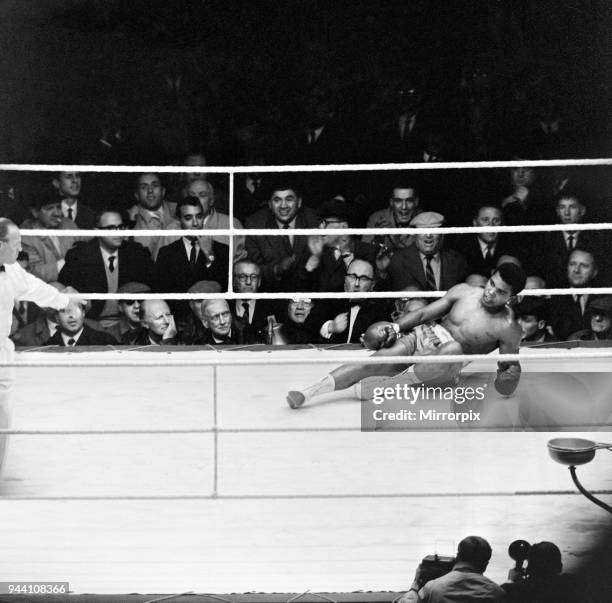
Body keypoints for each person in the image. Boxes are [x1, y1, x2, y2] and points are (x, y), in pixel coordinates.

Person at [287, 262, 525, 409]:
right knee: (376, 360)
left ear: (511, 298)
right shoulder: (465, 291)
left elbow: (505, 383)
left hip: (444, 367)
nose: (491, 292)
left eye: (500, 291)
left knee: (452, 349)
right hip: (423, 337)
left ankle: (388, 387)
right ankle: (309, 392)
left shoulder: (508, 327)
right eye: (491, 283)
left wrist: (511, 375)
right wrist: (397, 329)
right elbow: (423, 314)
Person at [0, 218, 84, 469]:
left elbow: (35, 288)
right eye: (15, 244)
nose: (20, 250)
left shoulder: (11, 269)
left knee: (3, 417)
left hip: (1, 354)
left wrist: (63, 301)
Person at [59, 209, 154, 328]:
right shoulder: (79, 256)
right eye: (111, 228)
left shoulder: (137, 253)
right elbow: (65, 292)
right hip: (90, 324)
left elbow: (152, 290)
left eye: (121, 227)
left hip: (130, 324)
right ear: (96, 231)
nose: (118, 232)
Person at [245, 178, 320, 291]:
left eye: (289, 199)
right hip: (272, 294)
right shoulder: (254, 224)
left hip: (310, 291)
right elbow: (252, 268)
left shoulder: (314, 221)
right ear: (270, 204)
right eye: (277, 200)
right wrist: (276, 269)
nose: (283, 206)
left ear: (299, 202)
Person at [399, 536, 505, 602]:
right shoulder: (497, 593)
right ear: (485, 564)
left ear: (458, 558)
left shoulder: (433, 588)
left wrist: (415, 585)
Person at [388, 212, 469, 291]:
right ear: (415, 234)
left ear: (442, 234)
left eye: (433, 230)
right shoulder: (399, 260)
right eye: (423, 230)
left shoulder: (457, 260)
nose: (428, 235)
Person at [46, 300, 118, 346]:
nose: (72, 315)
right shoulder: (47, 347)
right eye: (65, 311)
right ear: (56, 317)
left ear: (83, 313)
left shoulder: (106, 342)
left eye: (76, 309)